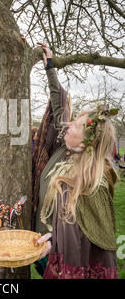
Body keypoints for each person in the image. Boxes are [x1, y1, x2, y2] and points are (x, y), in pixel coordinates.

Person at [32, 46, 119, 279]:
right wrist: (50, 67)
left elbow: (91, 246)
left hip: (59, 257)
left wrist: (55, 245)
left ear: (84, 145)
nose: (68, 124)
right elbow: (59, 106)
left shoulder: (92, 185)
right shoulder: (63, 148)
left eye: (76, 125)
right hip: (42, 244)